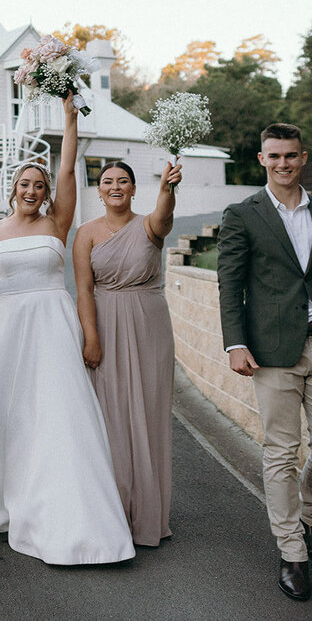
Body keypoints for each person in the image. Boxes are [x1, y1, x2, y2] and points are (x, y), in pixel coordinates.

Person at [0, 97, 135, 565]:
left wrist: (68, 116)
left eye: (39, 184)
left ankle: (71, 516)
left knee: (56, 415)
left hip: (51, 330)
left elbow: (68, 167)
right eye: (25, 183)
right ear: (13, 189)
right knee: (0, 413)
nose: (32, 189)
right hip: (6, 331)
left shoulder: (58, 221)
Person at [216, 123, 312, 601]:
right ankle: (291, 551)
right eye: (273, 156)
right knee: (281, 453)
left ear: (304, 158)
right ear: (261, 160)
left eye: (290, 155)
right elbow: (230, 284)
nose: (282, 163)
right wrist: (234, 343)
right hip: (272, 352)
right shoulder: (243, 214)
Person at [72, 157, 182, 548]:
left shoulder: (149, 225)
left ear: (134, 189)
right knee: (111, 418)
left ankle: (148, 515)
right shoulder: (85, 233)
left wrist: (167, 189)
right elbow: (83, 289)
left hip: (149, 326)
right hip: (105, 324)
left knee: (149, 417)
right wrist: (91, 337)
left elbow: (164, 218)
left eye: (123, 181)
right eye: (107, 181)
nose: (115, 186)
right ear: (98, 191)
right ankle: (112, 511)